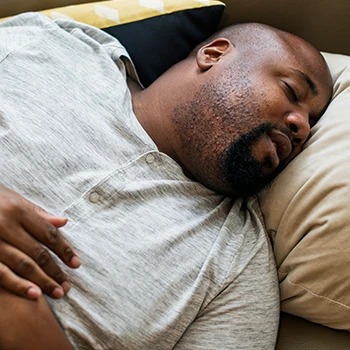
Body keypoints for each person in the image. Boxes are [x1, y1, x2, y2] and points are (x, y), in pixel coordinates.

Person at [0, 11, 332, 350]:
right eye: (292, 90)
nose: (301, 126)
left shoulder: (237, 268)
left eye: (311, 121)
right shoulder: (50, 47)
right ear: (214, 54)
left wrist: (22, 320)